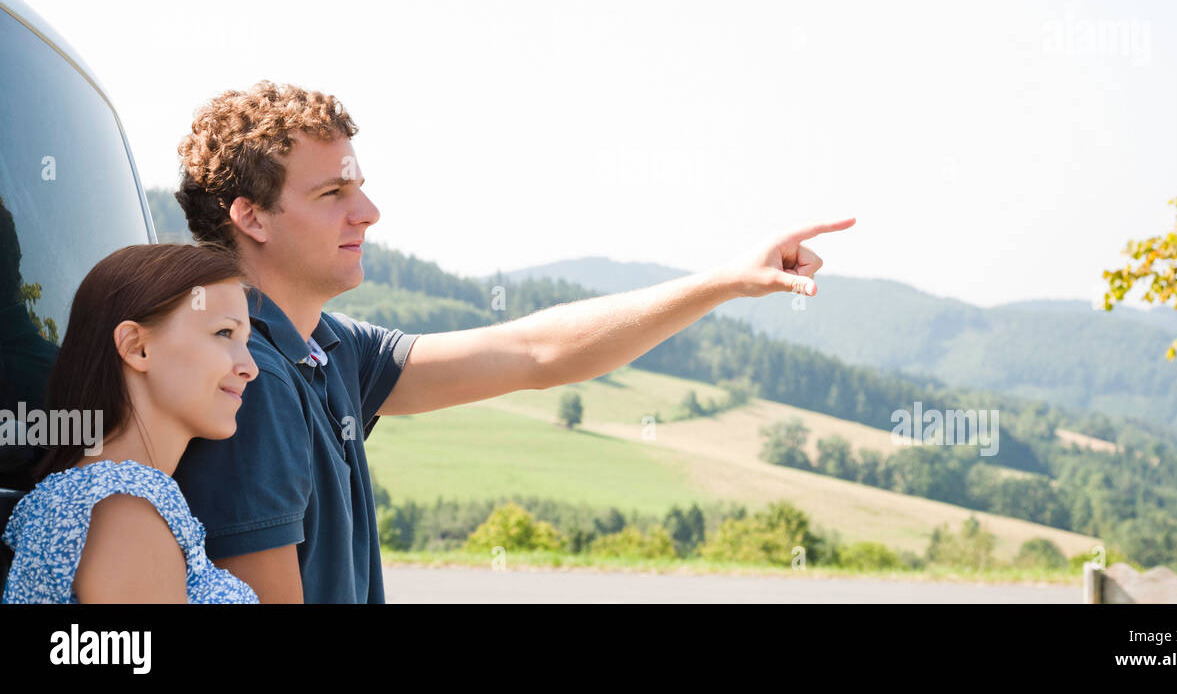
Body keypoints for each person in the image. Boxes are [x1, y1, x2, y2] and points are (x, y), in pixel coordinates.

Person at [170, 80, 854, 603]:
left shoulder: (324, 349)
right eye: (333, 193)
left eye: (362, 187)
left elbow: (536, 352)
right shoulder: (248, 377)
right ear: (251, 217)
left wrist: (727, 281)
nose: (369, 212)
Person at [2, 244, 259, 603]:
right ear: (137, 347)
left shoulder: (103, 500)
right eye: (224, 333)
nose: (250, 367)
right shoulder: (124, 513)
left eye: (246, 341)